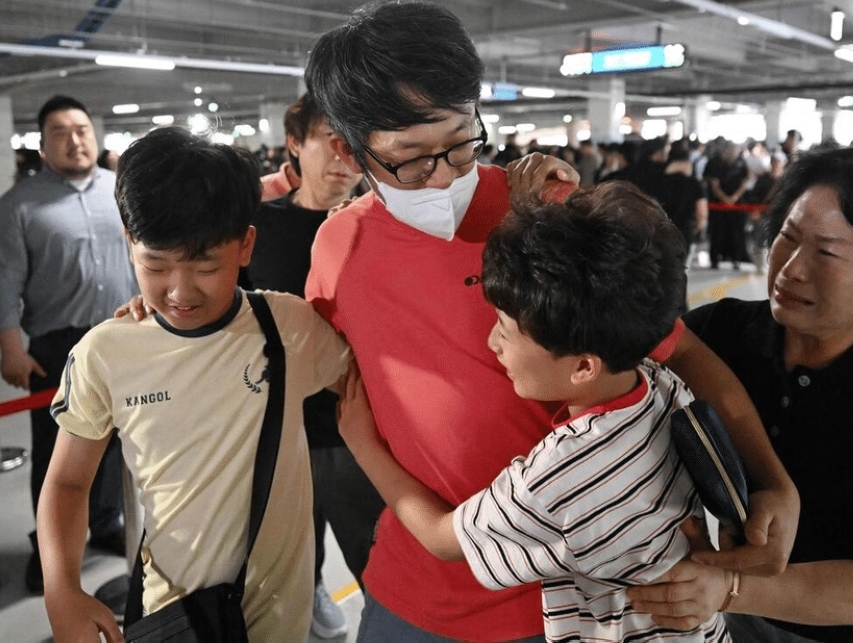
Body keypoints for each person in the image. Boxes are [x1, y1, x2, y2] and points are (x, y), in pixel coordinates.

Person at [304, 3, 797, 642]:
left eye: (459, 142)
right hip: (417, 591)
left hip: (578, 603)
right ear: (349, 149)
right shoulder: (339, 249)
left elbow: (686, 356)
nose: (444, 176)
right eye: (412, 159)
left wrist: (772, 484)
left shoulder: (551, 213)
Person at [340, 181, 729, 642]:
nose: (491, 343)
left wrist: (362, 444)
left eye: (505, 330)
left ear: (584, 366)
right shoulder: (659, 385)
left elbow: (444, 539)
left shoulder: (563, 476)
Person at [628, 143, 853, 643]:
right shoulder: (721, 333)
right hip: (739, 610)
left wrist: (728, 588)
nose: (791, 268)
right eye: (787, 237)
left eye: (827, 252)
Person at [36, 126, 354, 643]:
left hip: (281, 620)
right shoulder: (105, 353)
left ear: (246, 244)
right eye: (155, 266)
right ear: (129, 244)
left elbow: (366, 390)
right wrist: (61, 588)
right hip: (174, 615)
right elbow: (69, 482)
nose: (180, 291)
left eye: (207, 266)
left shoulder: (287, 327)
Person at [240, 92, 382, 639]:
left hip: (360, 431)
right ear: (295, 145)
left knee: (379, 572)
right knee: (289, 574)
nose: (346, 156)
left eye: (357, 143)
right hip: (279, 431)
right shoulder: (257, 227)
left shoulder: (383, 224)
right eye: (331, 138)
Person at [0, 95, 136, 593]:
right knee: (59, 451)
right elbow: (6, 281)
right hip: (59, 346)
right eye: (60, 131)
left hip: (125, 334)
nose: (74, 139)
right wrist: (10, 347)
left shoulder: (122, 189)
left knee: (120, 442)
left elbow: (145, 255)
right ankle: (51, 550)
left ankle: (104, 522)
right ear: (42, 145)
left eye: (82, 128)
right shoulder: (19, 205)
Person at [704, 140, 751, 270]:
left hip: (736, 206)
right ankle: (715, 259)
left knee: (736, 233)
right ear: (724, 151)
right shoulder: (714, 162)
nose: (732, 154)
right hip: (718, 205)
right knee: (717, 233)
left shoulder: (741, 163)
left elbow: (744, 182)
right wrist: (725, 199)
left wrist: (734, 198)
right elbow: (714, 184)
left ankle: (736, 258)